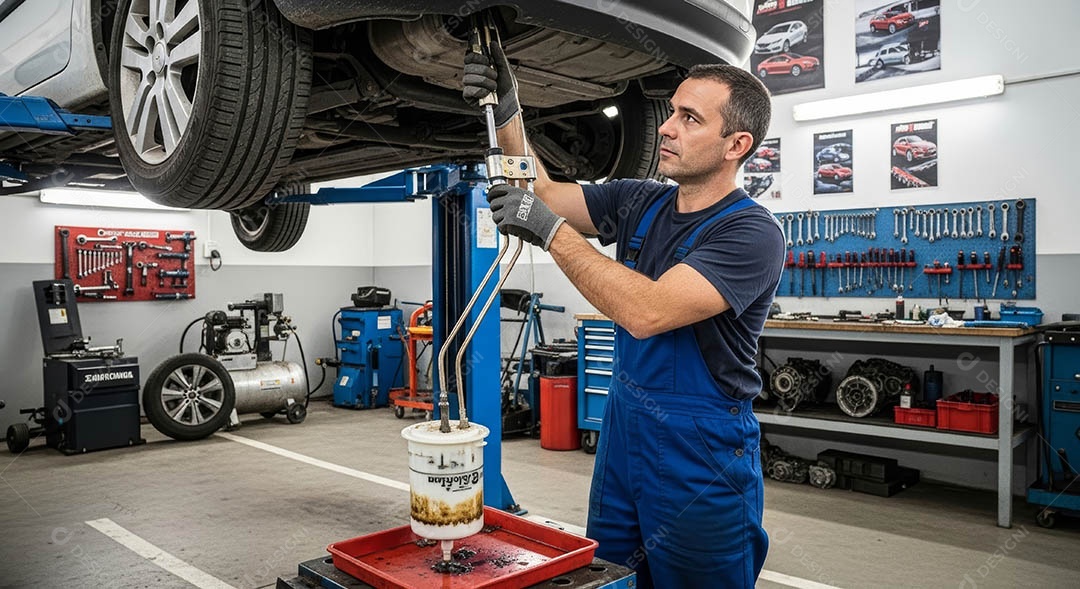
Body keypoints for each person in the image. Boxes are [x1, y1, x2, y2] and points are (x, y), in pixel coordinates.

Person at [464, 46, 784, 588]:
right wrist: (509, 108)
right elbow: (541, 192)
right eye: (671, 113)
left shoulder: (752, 233)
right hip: (624, 435)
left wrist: (548, 231)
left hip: (698, 454)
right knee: (610, 578)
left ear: (737, 145)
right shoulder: (641, 201)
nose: (666, 129)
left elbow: (646, 311)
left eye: (689, 119)